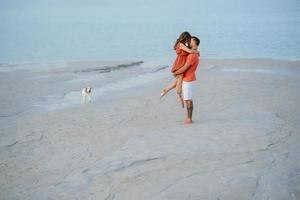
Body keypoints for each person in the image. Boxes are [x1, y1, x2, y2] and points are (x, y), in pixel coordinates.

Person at [160, 32, 198, 108]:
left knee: (177, 82)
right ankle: (179, 97)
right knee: (179, 83)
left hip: (181, 64)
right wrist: (197, 52)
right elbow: (190, 51)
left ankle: (166, 89)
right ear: (186, 38)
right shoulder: (180, 44)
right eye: (189, 39)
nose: (189, 41)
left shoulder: (182, 44)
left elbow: (189, 51)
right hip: (179, 65)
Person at [173, 36, 200, 124]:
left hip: (188, 79)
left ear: (195, 43)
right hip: (189, 78)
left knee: (188, 99)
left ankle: (189, 119)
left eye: (191, 41)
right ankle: (189, 118)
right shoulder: (194, 53)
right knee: (187, 98)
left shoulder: (192, 55)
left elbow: (185, 68)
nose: (189, 42)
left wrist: (176, 72)